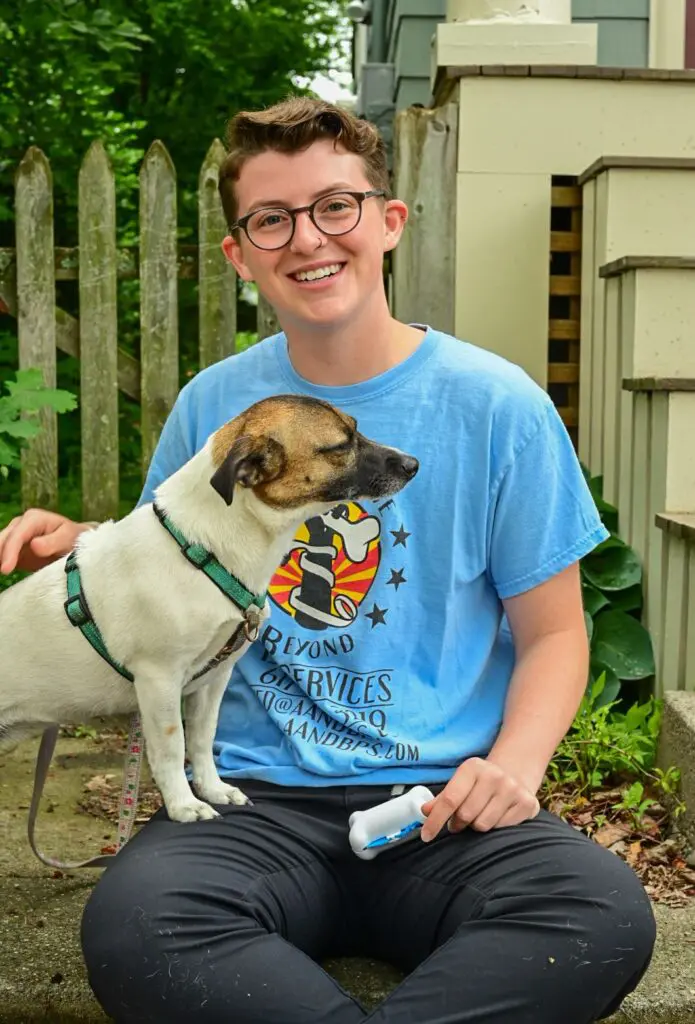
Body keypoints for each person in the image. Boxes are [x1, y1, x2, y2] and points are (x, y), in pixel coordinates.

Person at [0, 97, 656, 1024]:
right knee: (138, 930)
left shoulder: (496, 405)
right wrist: (79, 544)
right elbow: (163, 556)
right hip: (250, 806)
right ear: (240, 253)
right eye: (271, 218)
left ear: (387, 220)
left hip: (443, 810)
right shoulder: (216, 407)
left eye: (334, 206)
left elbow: (553, 636)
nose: (307, 238)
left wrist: (512, 769)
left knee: (597, 915)